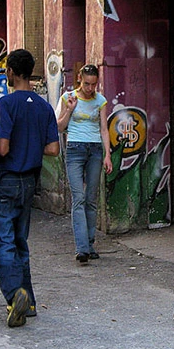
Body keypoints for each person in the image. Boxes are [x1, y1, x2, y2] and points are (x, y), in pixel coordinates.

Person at [0, 49, 60, 328]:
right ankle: (28, 302)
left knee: (3, 241)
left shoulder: (3, 105)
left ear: (11, 73)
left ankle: (15, 293)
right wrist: (29, 146)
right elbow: (53, 149)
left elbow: (1, 147)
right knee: (20, 241)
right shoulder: (44, 107)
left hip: (6, 181)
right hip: (30, 181)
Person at [57, 64, 113, 264]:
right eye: (87, 84)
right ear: (79, 78)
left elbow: (104, 129)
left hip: (95, 149)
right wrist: (70, 110)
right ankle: (82, 249)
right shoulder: (68, 97)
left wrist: (107, 154)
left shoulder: (100, 100)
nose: (90, 88)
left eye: (94, 84)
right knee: (78, 198)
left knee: (91, 199)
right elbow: (60, 126)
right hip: (74, 149)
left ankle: (89, 244)